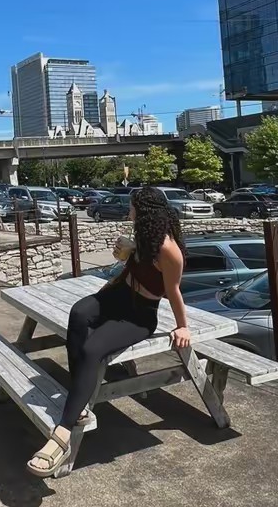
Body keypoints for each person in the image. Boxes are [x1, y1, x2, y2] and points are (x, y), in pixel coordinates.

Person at [27, 186, 190, 477]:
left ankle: (62, 433)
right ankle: (78, 402)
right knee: (79, 313)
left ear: (145, 212)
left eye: (133, 207)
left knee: (93, 349)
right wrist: (127, 252)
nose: (129, 211)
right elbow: (133, 263)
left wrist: (182, 326)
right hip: (117, 297)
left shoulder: (169, 249)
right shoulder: (145, 236)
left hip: (140, 314)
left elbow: (174, 290)